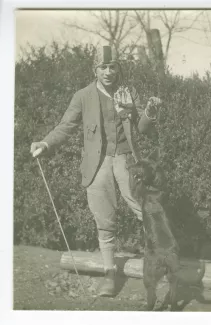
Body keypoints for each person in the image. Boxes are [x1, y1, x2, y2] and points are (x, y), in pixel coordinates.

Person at [30, 45, 161, 297]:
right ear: (95, 70)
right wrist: (45, 143)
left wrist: (147, 112)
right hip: (97, 164)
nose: (109, 72)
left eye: (113, 67)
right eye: (103, 67)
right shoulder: (82, 96)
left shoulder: (128, 92)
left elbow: (144, 129)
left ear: (118, 69)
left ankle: (155, 264)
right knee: (104, 220)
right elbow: (65, 126)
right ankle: (110, 274)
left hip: (125, 159)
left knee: (145, 211)